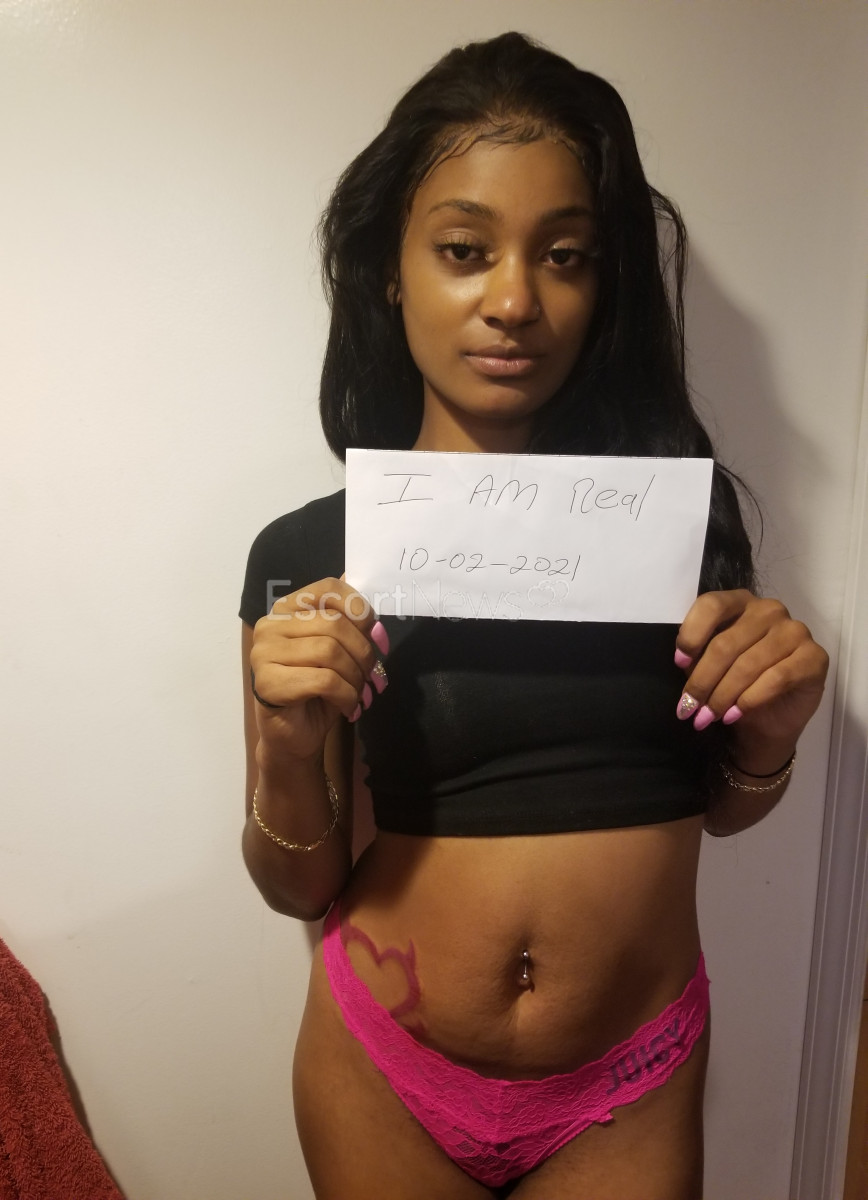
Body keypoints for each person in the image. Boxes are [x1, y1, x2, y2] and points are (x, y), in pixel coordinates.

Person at [239, 32, 828, 1200]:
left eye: (564, 256)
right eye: (464, 251)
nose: (513, 301)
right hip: (381, 1068)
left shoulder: (678, 532)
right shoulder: (307, 557)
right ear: (392, 269)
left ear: (604, 285)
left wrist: (770, 738)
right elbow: (295, 884)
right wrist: (285, 748)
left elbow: (721, 811)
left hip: (630, 1080)